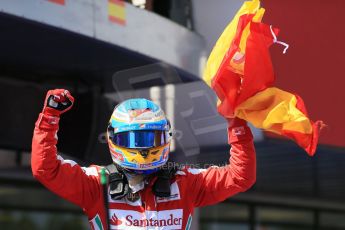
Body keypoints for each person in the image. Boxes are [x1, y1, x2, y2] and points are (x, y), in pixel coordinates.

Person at [31, 89, 256, 230]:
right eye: (133, 139)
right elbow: (46, 170)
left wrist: (236, 124)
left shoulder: (185, 181)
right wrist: (49, 119)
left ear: (166, 137)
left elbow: (240, 176)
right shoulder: (97, 184)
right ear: (113, 139)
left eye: (150, 137)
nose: (143, 147)